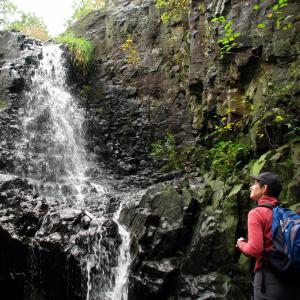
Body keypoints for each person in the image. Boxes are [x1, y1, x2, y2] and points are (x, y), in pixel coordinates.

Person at [236, 171, 300, 300]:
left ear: (264, 189)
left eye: (255, 184)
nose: (251, 187)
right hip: (294, 280)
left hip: (269, 281)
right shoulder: (286, 214)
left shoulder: (257, 213)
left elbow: (255, 249)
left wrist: (241, 244)